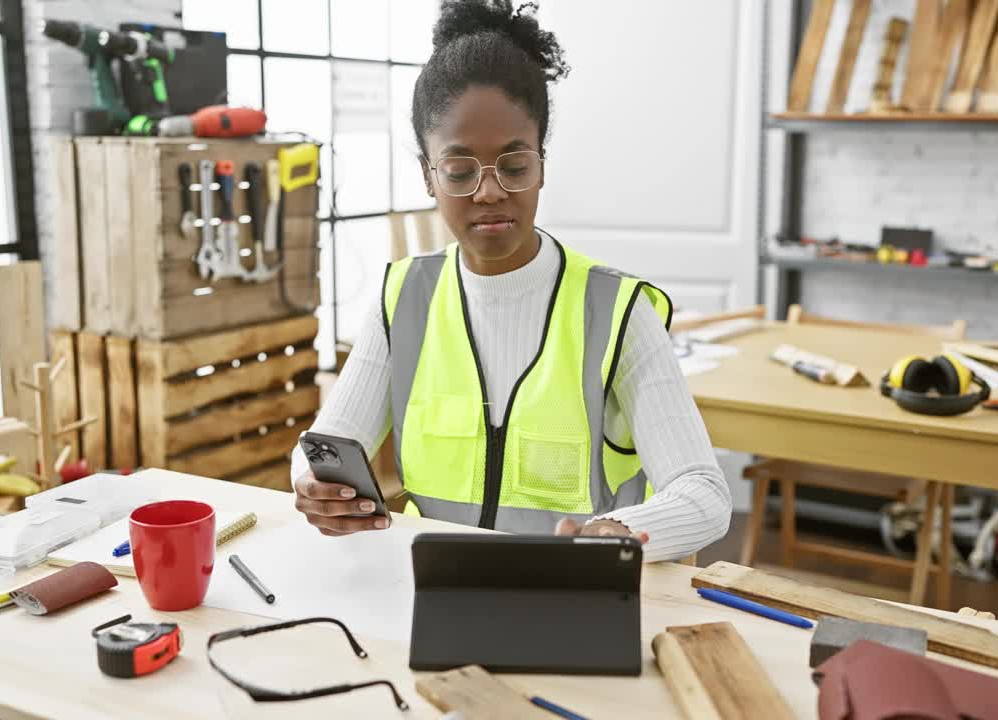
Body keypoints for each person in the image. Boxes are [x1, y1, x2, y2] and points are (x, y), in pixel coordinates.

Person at [291, 0, 731, 562]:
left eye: (515, 166)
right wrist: (313, 484)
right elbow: (325, 445)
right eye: (459, 171)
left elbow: (704, 494)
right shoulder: (401, 299)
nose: (490, 191)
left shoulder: (618, 311)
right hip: (432, 591)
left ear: (542, 164)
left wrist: (615, 534)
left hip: (573, 596)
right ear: (428, 176)